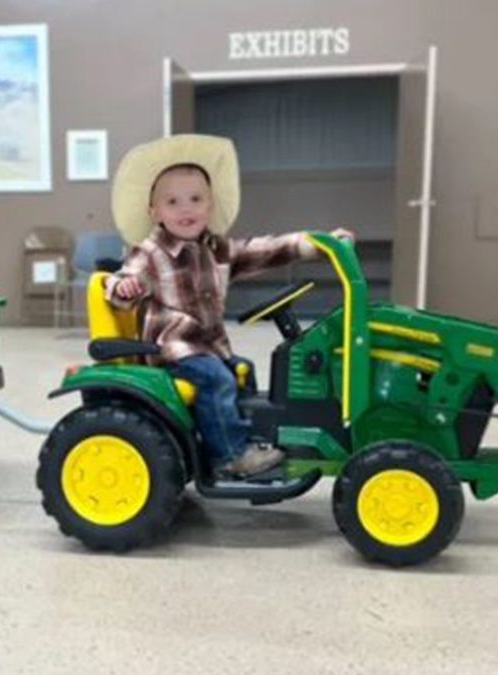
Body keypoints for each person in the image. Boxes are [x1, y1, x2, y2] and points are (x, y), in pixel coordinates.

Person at [105, 134, 353, 477]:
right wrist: (123, 287)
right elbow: (121, 281)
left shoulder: (216, 250)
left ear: (210, 205)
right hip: (174, 350)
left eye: (196, 199)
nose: (186, 209)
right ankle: (230, 457)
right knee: (217, 380)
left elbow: (265, 250)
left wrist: (319, 244)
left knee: (243, 371)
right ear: (155, 212)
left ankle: (244, 440)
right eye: (173, 201)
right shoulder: (148, 253)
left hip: (209, 348)